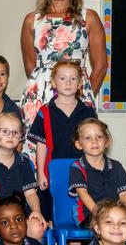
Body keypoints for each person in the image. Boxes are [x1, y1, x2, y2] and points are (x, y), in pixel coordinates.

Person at [20, 0, 107, 159]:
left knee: (79, 153)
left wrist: (83, 94)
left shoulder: (90, 18)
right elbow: (31, 67)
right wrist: (42, 88)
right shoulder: (32, 21)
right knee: (38, 158)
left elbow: (101, 65)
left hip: (77, 94)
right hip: (40, 96)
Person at [26, 60, 97, 222]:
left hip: (82, 171)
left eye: (73, 79)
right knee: (52, 214)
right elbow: (41, 144)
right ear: (53, 82)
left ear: (80, 84)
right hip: (52, 172)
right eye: (62, 78)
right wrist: (41, 173)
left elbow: (95, 146)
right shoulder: (45, 112)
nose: (68, 83)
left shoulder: (88, 112)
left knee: (79, 213)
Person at [67, 118, 126, 245]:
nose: (94, 141)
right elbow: (83, 195)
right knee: (108, 227)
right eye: (87, 138)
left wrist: (125, 215)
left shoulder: (116, 166)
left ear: (107, 141)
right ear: (78, 144)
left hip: (114, 212)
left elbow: (124, 195)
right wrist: (100, 213)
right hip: (89, 213)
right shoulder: (77, 167)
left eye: (99, 137)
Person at [0, 112, 46, 242]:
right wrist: (9, 217)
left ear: (20, 137)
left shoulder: (25, 162)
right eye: (4, 131)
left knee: (36, 227)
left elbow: (31, 194)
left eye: (15, 132)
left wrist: (36, 211)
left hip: (20, 211)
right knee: (4, 226)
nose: (10, 135)